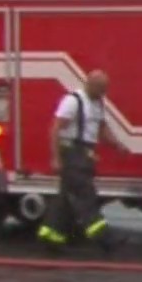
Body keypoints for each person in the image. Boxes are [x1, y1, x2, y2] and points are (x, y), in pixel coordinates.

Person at [41, 70, 125, 253]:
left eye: (105, 89)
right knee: (86, 194)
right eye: (101, 89)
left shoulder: (98, 103)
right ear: (90, 84)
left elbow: (102, 129)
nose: (103, 93)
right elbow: (55, 129)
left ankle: (50, 235)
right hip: (72, 153)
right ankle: (104, 237)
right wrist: (56, 158)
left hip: (85, 154)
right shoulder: (72, 101)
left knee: (64, 198)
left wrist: (117, 145)